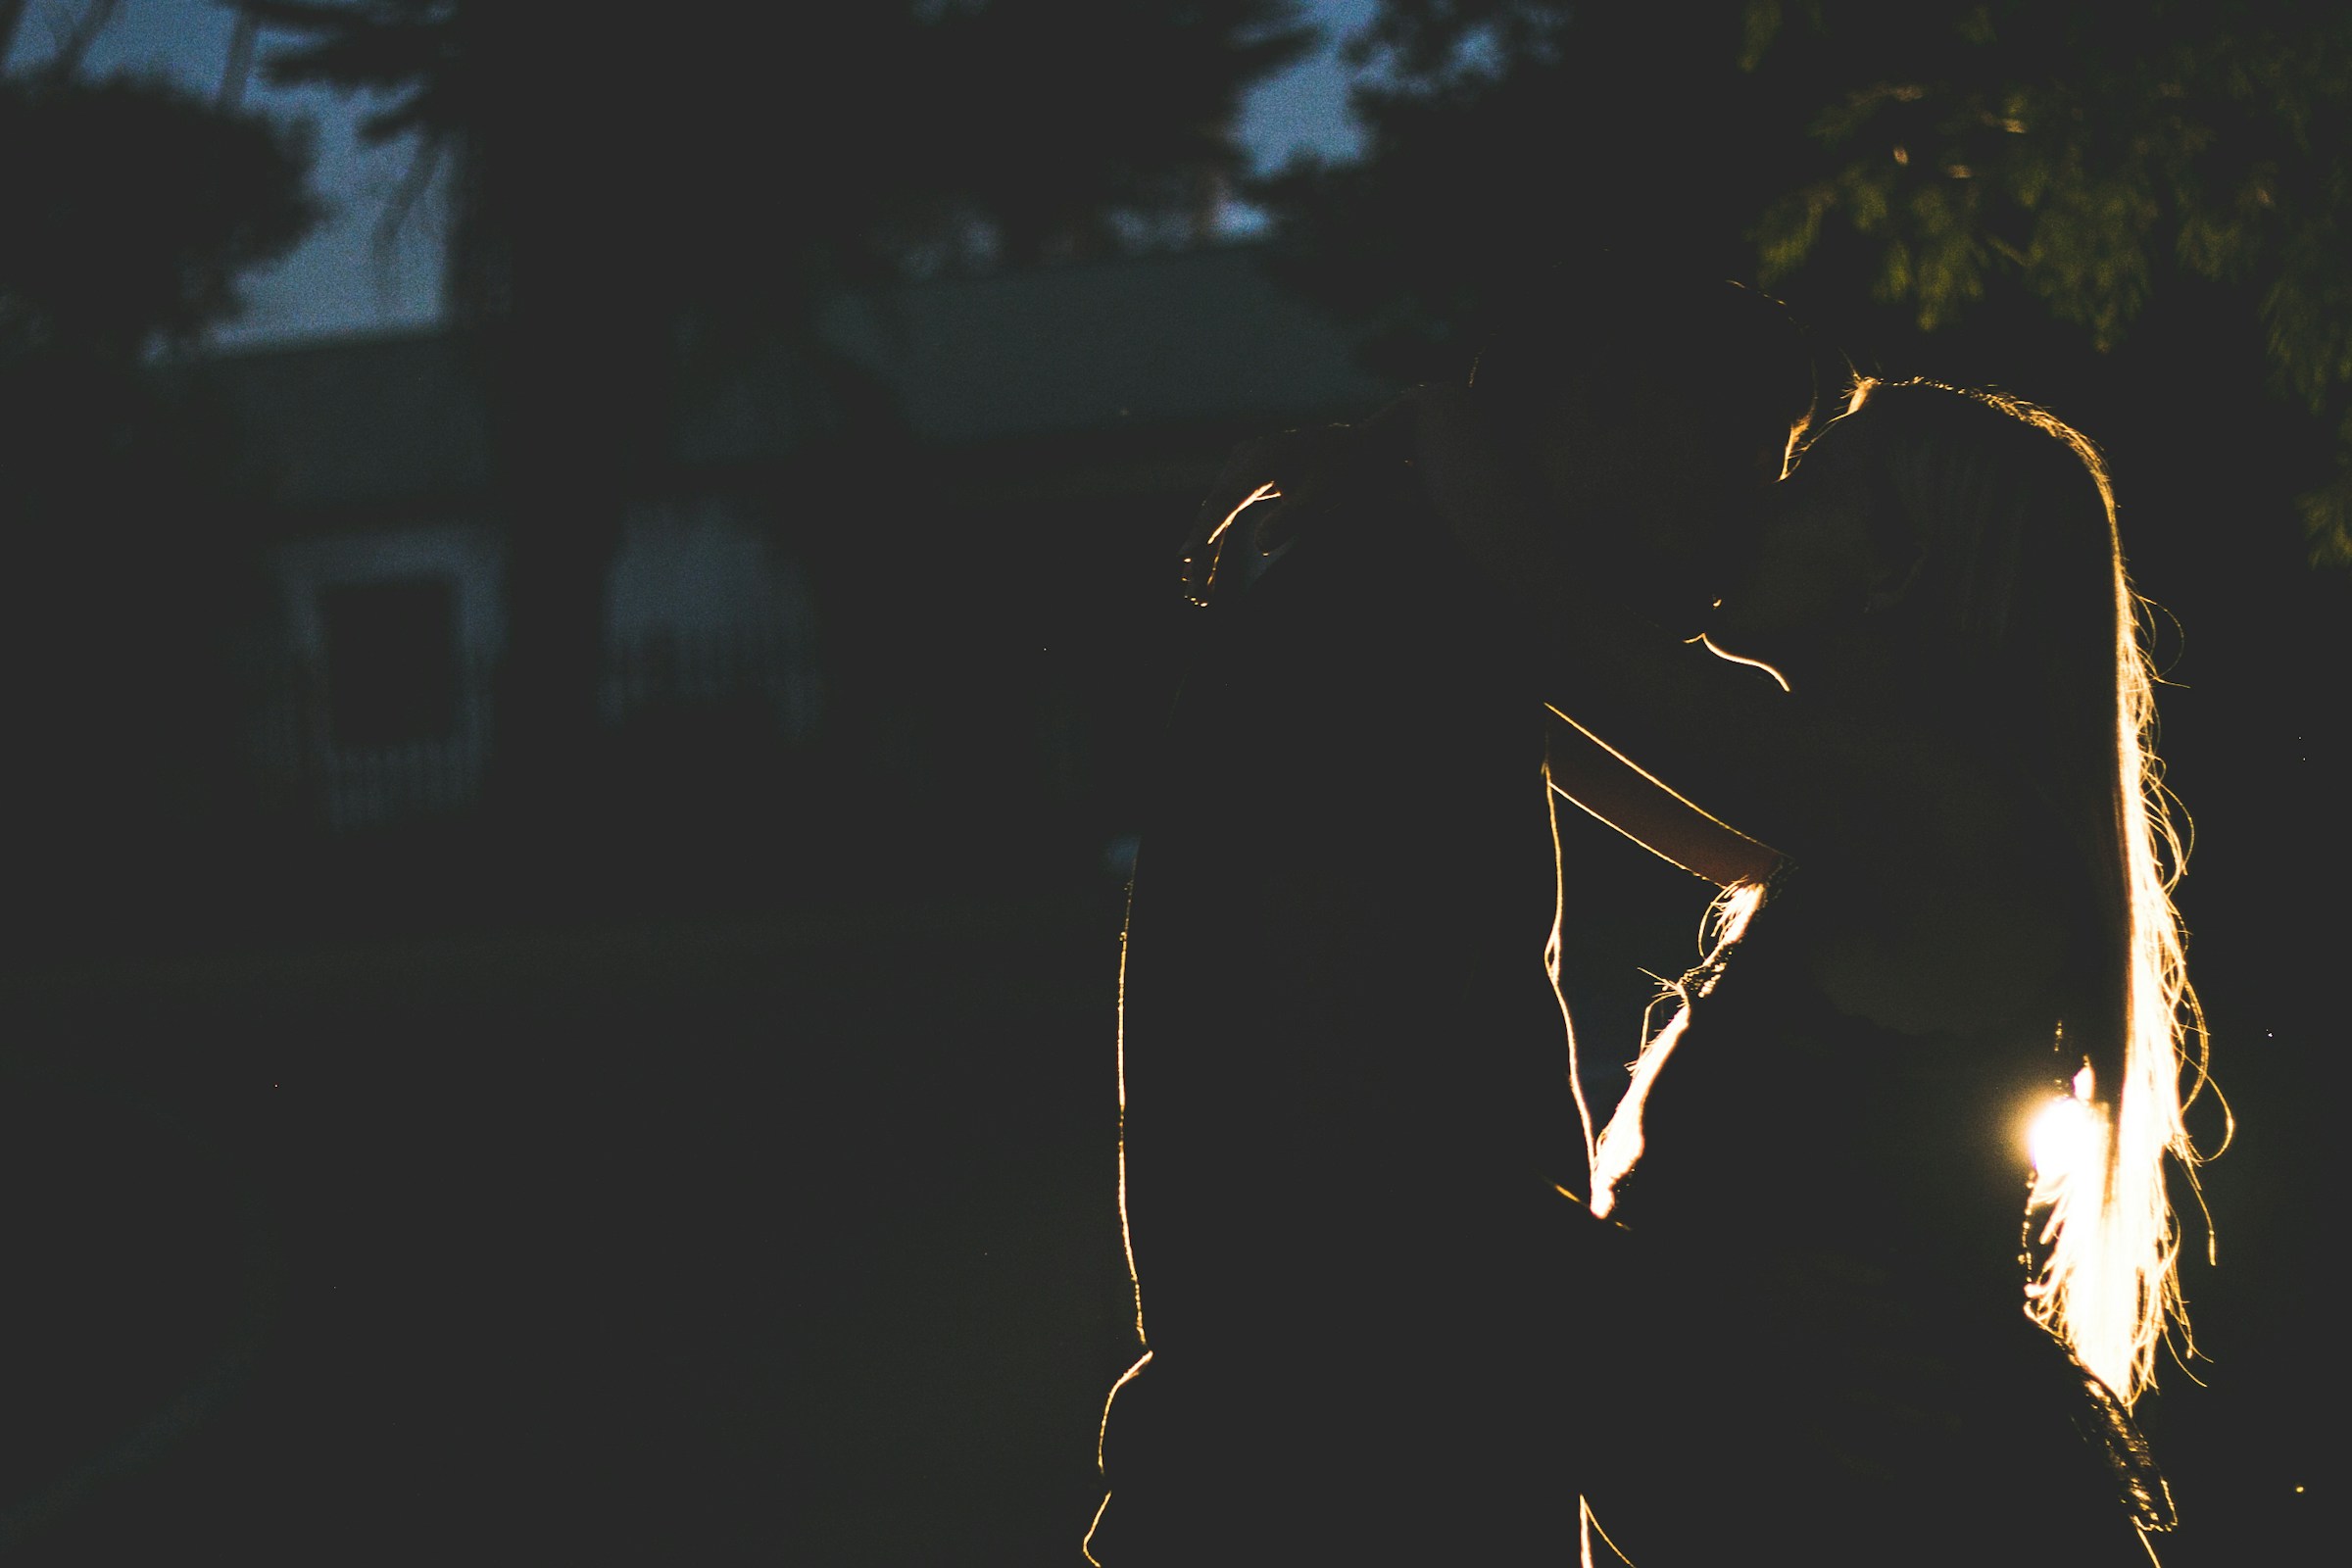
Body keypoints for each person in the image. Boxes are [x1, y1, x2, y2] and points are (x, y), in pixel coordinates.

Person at [1394, 370, 2212, 1563]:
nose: (1755, 510)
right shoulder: (1870, 831)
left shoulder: (1934, 820)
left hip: (1917, 1505)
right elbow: (1543, 705)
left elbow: (1569, 643)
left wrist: (1427, 423)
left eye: (1811, 490)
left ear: (1894, 569)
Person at [1084, 270, 1815, 1564]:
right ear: (1605, 420)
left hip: (1328, 1431)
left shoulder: (1427, 613)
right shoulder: (1381, 638)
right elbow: (1383, 1120)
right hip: (1359, 1455)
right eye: (1744, 459)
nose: (1754, 517)